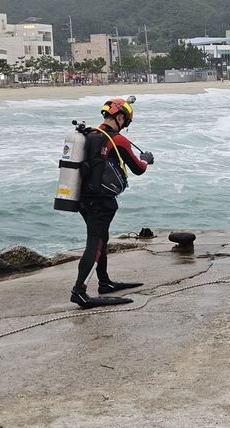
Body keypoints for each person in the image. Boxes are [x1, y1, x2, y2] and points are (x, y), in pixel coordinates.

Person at [70, 97, 154, 308]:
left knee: (101, 239)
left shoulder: (89, 134)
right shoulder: (117, 140)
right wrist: (146, 159)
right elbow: (138, 168)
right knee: (95, 243)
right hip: (101, 202)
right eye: (125, 121)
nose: (125, 126)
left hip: (82, 199)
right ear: (119, 117)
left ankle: (104, 282)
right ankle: (79, 292)